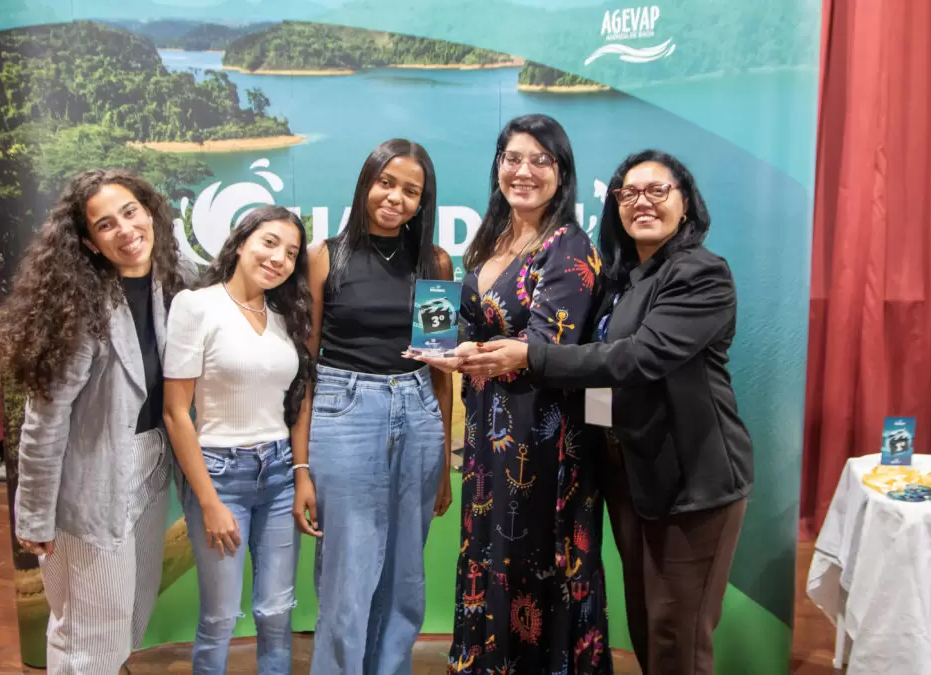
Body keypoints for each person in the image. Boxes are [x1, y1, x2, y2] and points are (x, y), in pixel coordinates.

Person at [466, 149, 753, 675]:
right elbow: (597, 374)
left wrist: (530, 356)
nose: (642, 202)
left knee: (678, 638)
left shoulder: (701, 274)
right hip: (632, 478)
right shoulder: (624, 280)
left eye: (657, 190)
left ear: (686, 204)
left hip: (692, 484)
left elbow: (637, 358)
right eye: (628, 193)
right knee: (647, 624)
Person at [412, 113, 610, 674]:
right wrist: (437, 344)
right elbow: (467, 323)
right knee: (488, 550)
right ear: (498, 166)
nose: (524, 171)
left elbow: (544, 347)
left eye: (540, 160)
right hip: (488, 431)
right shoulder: (493, 235)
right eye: (512, 158)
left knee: (530, 560)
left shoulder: (568, 247)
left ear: (562, 171)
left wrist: (467, 355)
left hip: (542, 437)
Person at [0, 168, 194, 674]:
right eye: (106, 224)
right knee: (91, 630)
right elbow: (44, 420)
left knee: (129, 611)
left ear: (150, 213)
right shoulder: (78, 307)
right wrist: (34, 515)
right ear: (89, 242)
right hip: (89, 483)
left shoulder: (171, 280)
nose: (125, 229)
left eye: (131, 212)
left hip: (149, 470)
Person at [290, 138, 454, 675]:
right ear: (366, 183)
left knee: (406, 575)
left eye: (411, 191)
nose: (395, 198)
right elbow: (307, 364)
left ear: (423, 202)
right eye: (386, 183)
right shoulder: (325, 256)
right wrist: (301, 467)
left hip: (418, 413)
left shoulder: (435, 262)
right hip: (345, 413)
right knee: (348, 571)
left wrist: (444, 463)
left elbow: (439, 365)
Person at [162, 205, 312, 674]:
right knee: (221, 617)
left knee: (277, 612)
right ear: (241, 242)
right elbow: (176, 412)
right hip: (220, 474)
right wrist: (209, 502)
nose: (279, 258)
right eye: (269, 242)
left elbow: (296, 402)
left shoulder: (286, 316)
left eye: (291, 253)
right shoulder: (196, 306)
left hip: (279, 474)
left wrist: (300, 473)